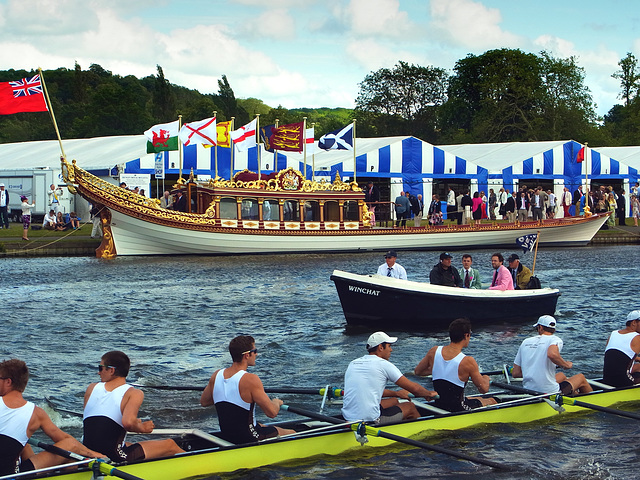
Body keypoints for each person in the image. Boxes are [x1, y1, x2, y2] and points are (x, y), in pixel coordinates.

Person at [0, 359, 103, 476]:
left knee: (23, 443)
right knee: (69, 445)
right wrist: (91, 453)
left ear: (8, 382)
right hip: (11, 475)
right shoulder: (37, 413)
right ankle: (89, 462)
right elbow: (64, 439)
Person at [83, 351, 184, 461]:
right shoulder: (134, 393)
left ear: (111, 370)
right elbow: (128, 423)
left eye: (100, 368)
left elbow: (96, 425)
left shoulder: (91, 388)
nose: (99, 372)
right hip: (114, 457)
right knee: (170, 445)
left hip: (87, 452)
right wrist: (142, 428)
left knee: (129, 444)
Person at [200, 336, 295, 443]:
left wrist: (228, 396)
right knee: (291, 433)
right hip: (249, 437)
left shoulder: (216, 375)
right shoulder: (251, 379)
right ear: (246, 355)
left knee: (261, 425)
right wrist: (276, 402)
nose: (256, 354)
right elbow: (272, 413)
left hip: (227, 434)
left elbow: (204, 402)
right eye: (255, 351)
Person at [341, 332, 437, 424]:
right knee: (410, 406)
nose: (391, 350)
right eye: (389, 346)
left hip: (348, 417)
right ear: (380, 347)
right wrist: (428, 393)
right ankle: (419, 432)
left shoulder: (353, 363)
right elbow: (414, 389)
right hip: (370, 420)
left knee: (394, 401)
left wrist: (396, 394)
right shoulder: (383, 364)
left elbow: (371, 389)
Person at [415, 318, 496, 412]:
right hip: (458, 409)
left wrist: (437, 370)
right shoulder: (468, 361)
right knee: (492, 400)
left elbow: (418, 372)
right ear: (466, 335)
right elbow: (484, 389)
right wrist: (485, 378)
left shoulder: (434, 351)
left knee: (474, 398)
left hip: (439, 405)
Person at [512, 316, 593, 395]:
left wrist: (532, 370)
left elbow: (516, 373)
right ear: (554, 330)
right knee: (581, 378)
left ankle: (574, 394)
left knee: (561, 375)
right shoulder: (555, 339)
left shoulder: (525, 342)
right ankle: (593, 400)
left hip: (528, 391)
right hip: (549, 392)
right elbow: (552, 354)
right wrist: (566, 365)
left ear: (540, 327)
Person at [603, 310, 640, 387]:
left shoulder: (613, 334)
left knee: (637, 367)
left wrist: (637, 359)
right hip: (624, 382)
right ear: (634, 323)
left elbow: (618, 356)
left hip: (606, 379)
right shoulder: (637, 338)